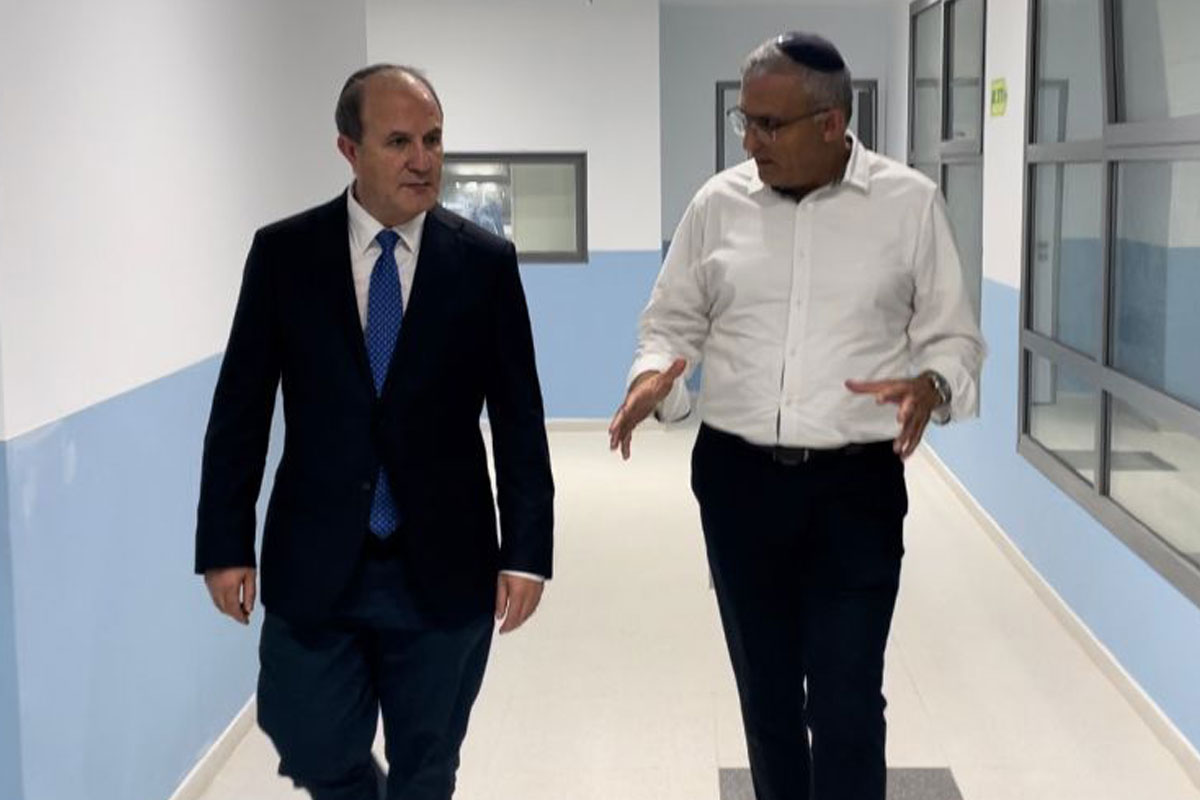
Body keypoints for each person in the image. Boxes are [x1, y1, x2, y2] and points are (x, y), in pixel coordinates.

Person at [609, 32, 984, 800]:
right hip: (738, 482)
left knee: (847, 702)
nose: (750, 141)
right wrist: (654, 378)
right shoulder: (717, 204)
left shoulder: (909, 205)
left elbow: (955, 339)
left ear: (832, 123)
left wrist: (934, 384)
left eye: (768, 125)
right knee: (768, 695)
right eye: (743, 121)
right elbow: (670, 323)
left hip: (856, 489)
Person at [195, 64, 554, 800]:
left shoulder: (484, 264)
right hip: (318, 556)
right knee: (306, 738)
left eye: (433, 140)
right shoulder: (286, 255)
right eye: (398, 142)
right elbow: (240, 410)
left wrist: (527, 552)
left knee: (428, 764)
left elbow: (519, 416)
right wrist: (225, 541)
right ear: (349, 149)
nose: (423, 160)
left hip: (444, 561)